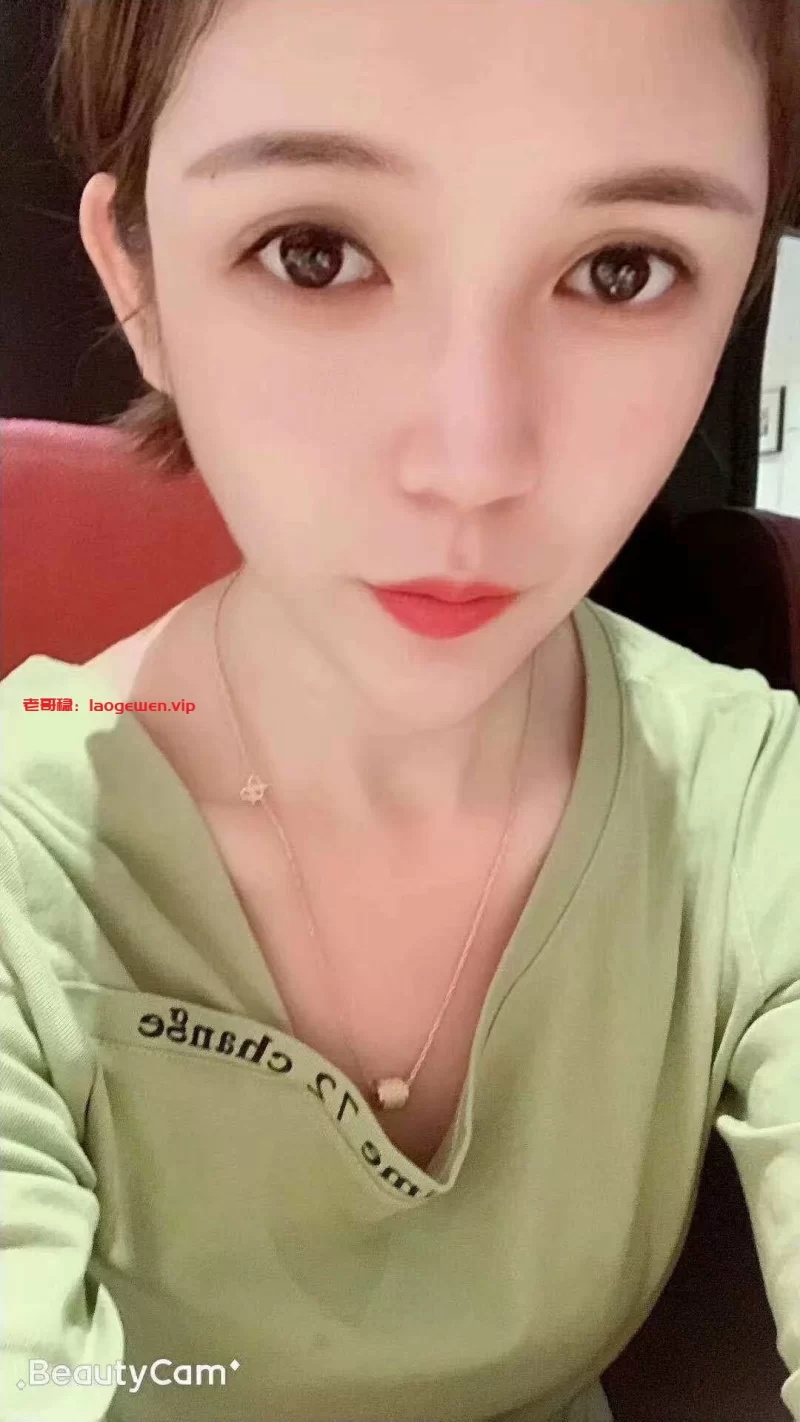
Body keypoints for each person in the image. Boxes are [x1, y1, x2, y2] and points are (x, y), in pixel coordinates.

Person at [2, 0, 800, 1418]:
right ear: (139, 282)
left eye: (622, 270)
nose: (472, 461)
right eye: (313, 250)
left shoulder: (752, 805)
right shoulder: (25, 846)